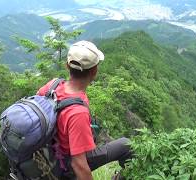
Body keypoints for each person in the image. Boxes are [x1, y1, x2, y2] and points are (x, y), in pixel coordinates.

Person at [37, 41, 132, 180]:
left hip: (50, 151)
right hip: (66, 164)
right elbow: (78, 164)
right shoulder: (78, 112)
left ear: (67, 66)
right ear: (94, 71)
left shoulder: (53, 85)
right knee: (127, 145)